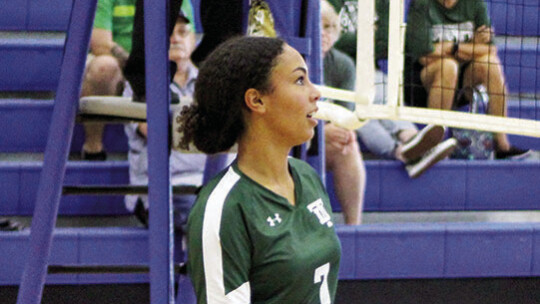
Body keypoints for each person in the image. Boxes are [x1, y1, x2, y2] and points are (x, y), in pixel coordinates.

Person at [178, 36, 341, 303]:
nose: (316, 92)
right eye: (300, 80)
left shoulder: (306, 176)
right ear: (257, 100)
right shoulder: (224, 208)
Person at [321, 0, 457, 178]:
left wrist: (361, 39)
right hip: (332, 70)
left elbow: (386, 40)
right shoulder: (329, 3)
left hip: (368, 69)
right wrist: (368, 37)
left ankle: (411, 139)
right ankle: (401, 152)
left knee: (386, 93)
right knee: (362, 110)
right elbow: (331, 40)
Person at [403, 0, 529, 159]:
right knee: (448, 66)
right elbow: (425, 56)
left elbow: (489, 49)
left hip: (461, 83)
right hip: (422, 85)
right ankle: (433, 145)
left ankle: (501, 145)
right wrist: (471, 45)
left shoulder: (474, 4)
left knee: (490, 64)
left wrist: (452, 47)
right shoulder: (422, 4)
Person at [123, 11, 206, 229]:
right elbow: (156, 130)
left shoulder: (208, 81)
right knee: (206, 216)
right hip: (163, 189)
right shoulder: (139, 84)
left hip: (207, 184)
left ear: (194, 40)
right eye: (169, 32)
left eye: (182, 32)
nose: (175, 38)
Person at [79, 0, 136, 160]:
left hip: (155, 62)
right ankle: (93, 146)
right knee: (103, 68)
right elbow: (100, 44)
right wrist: (136, 62)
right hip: (118, 63)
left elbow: (186, 36)